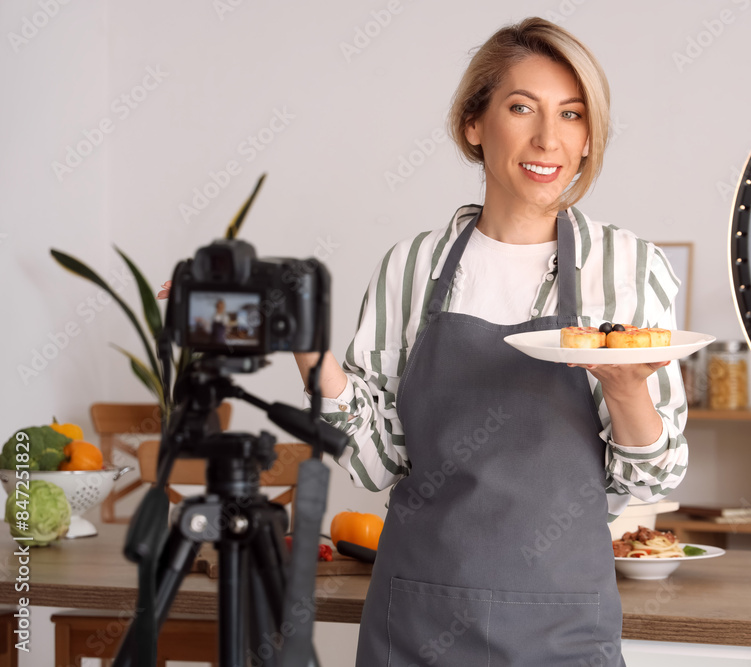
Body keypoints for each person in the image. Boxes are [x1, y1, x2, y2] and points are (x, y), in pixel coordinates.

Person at [161, 17, 689, 665]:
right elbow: (379, 460)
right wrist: (307, 347)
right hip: (416, 620)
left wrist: (628, 389)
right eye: (522, 107)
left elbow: (651, 476)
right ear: (474, 123)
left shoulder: (629, 268)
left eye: (573, 115)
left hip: (562, 624)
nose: (548, 138)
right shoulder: (412, 267)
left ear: (588, 139)